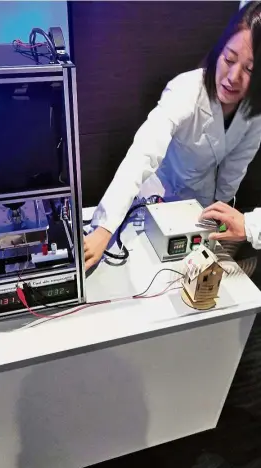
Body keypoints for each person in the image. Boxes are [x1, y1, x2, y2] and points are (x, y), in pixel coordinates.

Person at [84, 1, 261, 270]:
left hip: (200, 202)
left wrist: (219, 213)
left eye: (249, 69)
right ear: (219, 51)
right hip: (156, 193)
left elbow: (234, 170)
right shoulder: (186, 90)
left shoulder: (254, 114)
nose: (233, 77)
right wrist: (105, 228)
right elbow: (143, 153)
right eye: (229, 58)